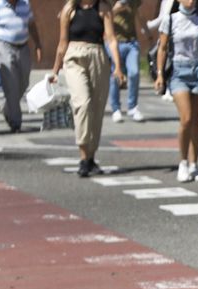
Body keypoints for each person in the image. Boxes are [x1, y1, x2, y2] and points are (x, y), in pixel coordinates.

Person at [51, 0, 125, 178]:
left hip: (98, 56)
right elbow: (62, 43)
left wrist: (118, 66)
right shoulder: (69, 9)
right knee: (82, 104)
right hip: (74, 57)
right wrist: (55, 70)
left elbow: (112, 39)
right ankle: (84, 157)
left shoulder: (103, 8)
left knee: (97, 109)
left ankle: (91, 156)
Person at [154, 0, 198, 183]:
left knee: (197, 122)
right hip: (179, 71)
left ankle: (194, 164)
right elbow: (162, 47)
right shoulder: (171, 19)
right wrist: (159, 75)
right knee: (186, 119)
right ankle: (182, 162)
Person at [0, 0, 42, 133]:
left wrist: (38, 44)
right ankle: (16, 122)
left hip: (23, 46)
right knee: (11, 86)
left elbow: (31, 24)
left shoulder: (25, 4)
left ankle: (7, 107)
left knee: (24, 82)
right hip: (4, 46)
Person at [109, 0, 152, 123]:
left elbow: (139, 15)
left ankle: (132, 107)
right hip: (115, 42)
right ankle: (116, 109)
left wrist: (147, 32)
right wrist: (116, 9)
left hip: (132, 42)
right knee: (115, 76)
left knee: (134, 73)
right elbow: (103, 18)